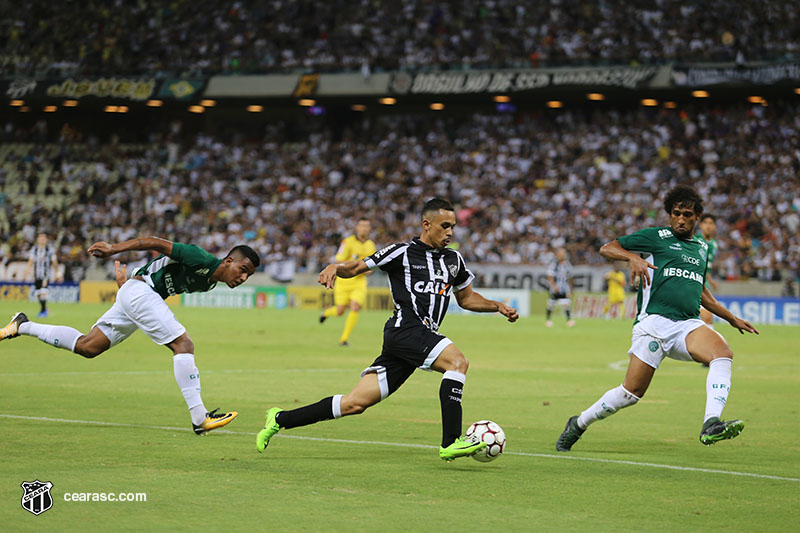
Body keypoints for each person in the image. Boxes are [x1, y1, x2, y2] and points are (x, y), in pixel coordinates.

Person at [255, 198, 519, 461]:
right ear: (427, 224)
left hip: (414, 340)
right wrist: (336, 266)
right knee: (458, 362)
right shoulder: (401, 252)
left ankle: (279, 418)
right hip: (405, 329)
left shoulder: (453, 260)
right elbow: (358, 267)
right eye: (445, 226)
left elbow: (466, 299)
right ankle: (451, 442)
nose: (450, 232)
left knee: (354, 403)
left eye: (453, 227)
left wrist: (497, 306)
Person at [556, 185, 758, 452]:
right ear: (670, 215)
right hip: (653, 324)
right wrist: (631, 258)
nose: (681, 219)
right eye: (676, 214)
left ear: (697, 216)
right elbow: (607, 248)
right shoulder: (656, 237)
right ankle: (579, 423)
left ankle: (711, 422)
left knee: (722, 353)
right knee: (630, 394)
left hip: (687, 324)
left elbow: (701, 292)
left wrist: (731, 318)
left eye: (687, 214)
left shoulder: (701, 248)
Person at [1, 236, 260, 435]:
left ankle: (22, 325)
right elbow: (154, 242)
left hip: (136, 292)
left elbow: (158, 272)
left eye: (248, 274)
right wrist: (114, 249)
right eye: (243, 269)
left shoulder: (210, 281)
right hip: (141, 293)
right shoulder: (201, 258)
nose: (244, 277)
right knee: (184, 344)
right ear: (228, 261)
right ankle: (199, 418)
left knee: (88, 347)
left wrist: (129, 285)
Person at [319, 218, 376, 346]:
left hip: (359, 282)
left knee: (355, 306)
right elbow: (338, 261)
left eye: (367, 226)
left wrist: (367, 270)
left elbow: (373, 265)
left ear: (370, 229)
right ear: (357, 228)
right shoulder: (347, 242)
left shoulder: (370, 245)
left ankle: (343, 339)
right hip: (344, 281)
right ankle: (326, 312)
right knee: (340, 311)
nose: (364, 228)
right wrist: (353, 266)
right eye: (362, 226)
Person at [25, 233, 60, 318]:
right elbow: (31, 260)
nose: (42, 240)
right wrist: (27, 269)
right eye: (40, 238)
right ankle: (44, 309)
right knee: (37, 294)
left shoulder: (49, 249)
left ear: (46, 240)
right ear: (37, 240)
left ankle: (43, 311)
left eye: (43, 238)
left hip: (46, 275)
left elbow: (54, 262)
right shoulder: (34, 249)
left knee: (43, 292)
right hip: (37, 275)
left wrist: (57, 272)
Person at [696, 214, 719, 326]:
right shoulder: (696, 241)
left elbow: (706, 267)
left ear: (715, 226)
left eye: (711, 223)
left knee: (707, 318)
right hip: (693, 283)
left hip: (704, 284)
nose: (708, 226)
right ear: (700, 225)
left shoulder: (714, 244)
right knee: (707, 317)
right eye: (706, 223)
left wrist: (710, 281)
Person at [545, 247, 575, 327]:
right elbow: (549, 276)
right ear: (557, 254)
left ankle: (569, 320)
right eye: (561, 253)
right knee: (551, 303)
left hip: (565, 288)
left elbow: (571, 277)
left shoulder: (567, 265)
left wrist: (571, 289)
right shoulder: (553, 264)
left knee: (566, 304)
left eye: (564, 253)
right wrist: (554, 286)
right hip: (555, 288)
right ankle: (548, 320)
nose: (563, 255)